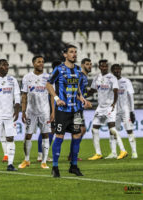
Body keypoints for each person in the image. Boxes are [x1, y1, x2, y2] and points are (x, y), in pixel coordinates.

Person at [46, 44, 90, 177]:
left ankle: (74, 166)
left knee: (77, 136)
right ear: (65, 55)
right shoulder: (59, 69)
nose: (74, 54)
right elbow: (48, 84)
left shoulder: (77, 70)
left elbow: (77, 88)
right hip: (62, 110)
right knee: (59, 136)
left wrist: (82, 98)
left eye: (75, 52)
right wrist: (57, 98)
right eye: (71, 52)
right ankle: (55, 167)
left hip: (76, 110)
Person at [88, 60, 128, 161]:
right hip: (100, 107)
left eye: (106, 66)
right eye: (103, 66)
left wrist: (114, 103)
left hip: (110, 107)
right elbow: (92, 90)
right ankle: (98, 153)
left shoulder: (112, 78)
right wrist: (83, 96)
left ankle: (123, 150)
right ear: (99, 67)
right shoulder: (97, 78)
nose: (104, 68)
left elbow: (116, 91)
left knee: (112, 129)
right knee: (94, 129)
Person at [18, 55, 52, 169]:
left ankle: (44, 161)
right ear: (33, 63)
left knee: (45, 135)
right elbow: (24, 95)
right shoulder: (27, 77)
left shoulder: (48, 77)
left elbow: (52, 95)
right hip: (31, 111)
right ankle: (26, 160)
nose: (41, 64)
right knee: (28, 135)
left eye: (42, 62)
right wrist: (23, 111)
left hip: (44, 111)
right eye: (39, 62)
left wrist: (53, 112)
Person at [111, 64, 138, 159]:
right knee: (113, 131)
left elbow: (131, 97)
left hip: (125, 109)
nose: (117, 71)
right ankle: (113, 152)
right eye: (114, 69)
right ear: (112, 71)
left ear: (121, 70)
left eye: (118, 69)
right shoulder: (110, 81)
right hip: (114, 110)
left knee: (129, 130)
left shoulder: (126, 81)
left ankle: (134, 152)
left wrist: (132, 111)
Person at [68, 58, 92, 161]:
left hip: (79, 108)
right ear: (82, 65)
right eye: (87, 64)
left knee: (81, 130)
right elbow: (73, 90)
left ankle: (72, 154)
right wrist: (83, 101)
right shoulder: (80, 76)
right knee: (79, 130)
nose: (89, 66)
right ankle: (72, 155)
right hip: (76, 108)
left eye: (90, 64)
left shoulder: (85, 77)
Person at [36, 60, 60, 162]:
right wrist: (52, 111)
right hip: (50, 107)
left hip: (47, 107)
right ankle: (42, 154)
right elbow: (52, 95)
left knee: (47, 131)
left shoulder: (49, 77)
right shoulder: (53, 78)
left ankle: (41, 154)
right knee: (49, 131)